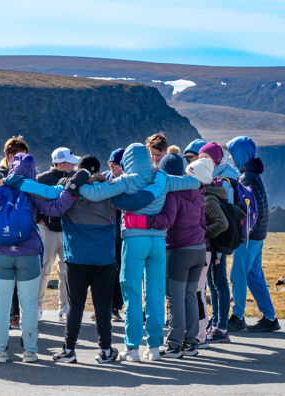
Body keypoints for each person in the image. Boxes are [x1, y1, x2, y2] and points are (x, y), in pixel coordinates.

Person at [78, 143, 199, 362]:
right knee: (155, 293)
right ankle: (154, 347)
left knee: (132, 292)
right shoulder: (161, 178)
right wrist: (166, 177)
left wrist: (74, 184)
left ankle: (132, 348)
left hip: (134, 240)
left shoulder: (127, 179)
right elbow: (193, 182)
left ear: (129, 161)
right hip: (159, 241)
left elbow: (93, 195)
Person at [52, 155, 162, 364]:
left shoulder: (71, 193)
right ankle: (105, 350)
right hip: (104, 260)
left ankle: (69, 350)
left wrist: (70, 182)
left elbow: (56, 198)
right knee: (102, 307)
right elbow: (135, 202)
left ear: (79, 170)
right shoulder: (110, 193)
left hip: (76, 259)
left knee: (75, 306)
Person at [0, 153, 83, 364]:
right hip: (28, 254)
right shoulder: (31, 190)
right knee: (28, 304)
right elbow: (56, 208)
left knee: (1, 304)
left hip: (0, 254)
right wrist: (71, 190)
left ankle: (0, 351)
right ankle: (30, 351)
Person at [122, 153, 207, 358]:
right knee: (190, 295)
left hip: (178, 249)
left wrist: (141, 222)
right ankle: (191, 342)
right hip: (199, 247)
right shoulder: (197, 192)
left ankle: (174, 345)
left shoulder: (172, 194)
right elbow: (203, 222)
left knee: (174, 298)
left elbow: (166, 220)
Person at [226, 136, 280, 332]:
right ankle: (270, 317)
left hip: (248, 237)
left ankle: (237, 317)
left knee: (238, 275)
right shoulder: (252, 174)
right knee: (254, 276)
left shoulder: (246, 177)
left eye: (232, 154)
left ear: (240, 154)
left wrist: (241, 234)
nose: (230, 158)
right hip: (258, 236)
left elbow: (250, 211)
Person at [198, 142, 236, 343]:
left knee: (218, 283)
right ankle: (217, 321)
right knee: (213, 283)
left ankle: (221, 327)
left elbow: (222, 221)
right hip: (216, 242)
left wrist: (206, 234)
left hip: (218, 243)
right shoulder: (218, 178)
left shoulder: (223, 181)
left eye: (206, 159)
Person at [0, 136, 29, 328]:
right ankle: (9, 315)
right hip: (4, 230)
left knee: (17, 277)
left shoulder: (23, 171)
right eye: (20, 155)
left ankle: (14, 314)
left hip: (20, 229)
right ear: (9, 155)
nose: (24, 159)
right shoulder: (1, 172)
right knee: (6, 279)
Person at [36, 147, 77, 322]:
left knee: (66, 271)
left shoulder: (74, 177)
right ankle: (37, 307)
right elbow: (33, 199)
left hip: (67, 229)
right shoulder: (42, 179)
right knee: (43, 269)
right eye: (70, 161)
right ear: (60, 163)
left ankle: (65, 307)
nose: (73, 164)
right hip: (48, 230)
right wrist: (40, 219)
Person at [102, 148, 125, 322]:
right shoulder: (104, 178)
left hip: (123, 235)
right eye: (110, 164)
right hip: (106, 232)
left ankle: (115, 307)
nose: (112, 168)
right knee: (104, 272)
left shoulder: (130, 181)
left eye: (115, 165)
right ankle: (102, 306)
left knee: (119, 272)